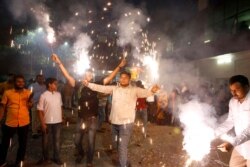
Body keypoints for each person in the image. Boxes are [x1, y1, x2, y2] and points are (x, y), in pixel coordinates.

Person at [51, 53, 126, 166]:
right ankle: (81, 153)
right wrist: (59, 63)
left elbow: (109, 78)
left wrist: (119, 67)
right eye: (88, 73)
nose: (90, 74)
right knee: (77, 141)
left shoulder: (96, 84)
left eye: (91, 73)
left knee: (91, 142)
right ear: (84, 75)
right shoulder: (78, 85)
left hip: (93, 119)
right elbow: (67, 76)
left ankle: (89, 161)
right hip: (81, 118)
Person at [83, 71, 159, 167]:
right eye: (121, 77)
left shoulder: (134, 90)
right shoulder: (115, 88)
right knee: (117, 145)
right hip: (115, 122)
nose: (122, 79)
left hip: (126, 124)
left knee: (122, 146)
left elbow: (146, 92)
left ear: (129, 79)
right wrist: (88, 84)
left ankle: (122, 164)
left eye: (125, 77)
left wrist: (152, 90)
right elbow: (101, 88)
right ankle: (125, 162)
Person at [215, 75, 250, 167]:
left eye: (237, 89)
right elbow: (230, 121)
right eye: (231, 90)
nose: (233, 93)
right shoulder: (233, 102)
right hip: (240, 147)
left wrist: (232, 143)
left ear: (246, 87)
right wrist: (214, 132)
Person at [0, 75, 32, 167]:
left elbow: (30, 106)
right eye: (18, 81)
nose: (21, 83)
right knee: (4, 143)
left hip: (24, 122)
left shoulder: (28, 93)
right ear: (14, 82)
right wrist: (0, 118)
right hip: (10, 122)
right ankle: (2, 161)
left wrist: (30, 104)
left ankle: (19, 162)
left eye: (22, 82)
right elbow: (2, 107)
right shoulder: (8, 93)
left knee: (22, 144)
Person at [37, 78, 63, 165]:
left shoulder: (58, 94)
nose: (57, 85)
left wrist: (61, 117)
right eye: (55, 83)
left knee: (57, 141)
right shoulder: (43, 95)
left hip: (58, 122)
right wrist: (43, 123)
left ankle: (57, 157)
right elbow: (40, 111)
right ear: (49, 84)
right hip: (47, 122)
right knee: (45, 141)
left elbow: (60, 106)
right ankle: (45, 158)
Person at [29, 74, 46, 138]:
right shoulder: (32, 86)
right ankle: (34, 132)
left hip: (42, 105)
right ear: (36, 79)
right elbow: (29, 95)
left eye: (42, 78)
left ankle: (38, 129)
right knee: (34, 119)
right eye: (39, 78)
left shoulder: (44, 86)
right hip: (34, 104)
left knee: (40, 118)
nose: (41, 80)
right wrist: (31, 102)